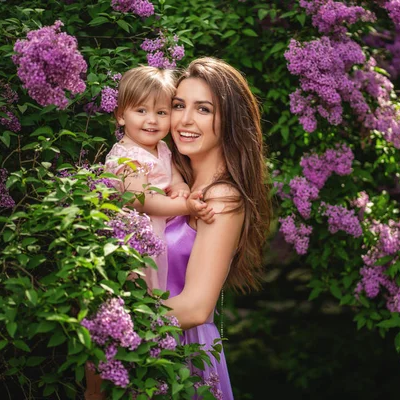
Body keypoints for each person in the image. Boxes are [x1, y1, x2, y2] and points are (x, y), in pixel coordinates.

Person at [162, 56, 271, 399]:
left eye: (204, 109)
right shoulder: (175, 182)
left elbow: (196, 307)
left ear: (230, 122)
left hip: (184, 354)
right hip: (155, 343)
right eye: (178, 105)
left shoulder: (222, 197)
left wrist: (113, 321)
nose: (185, 119)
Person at [104, 66, 214, 292]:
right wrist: (186, 205)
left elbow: (173, 174)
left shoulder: (161, 148)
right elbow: (141, 200)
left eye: (161, 113)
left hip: (162, 228)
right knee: (147, 283)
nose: (152, 120)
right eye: (141, 111)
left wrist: (180, 186)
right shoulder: (127, 158)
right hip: (140, 234)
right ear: (121, 116)